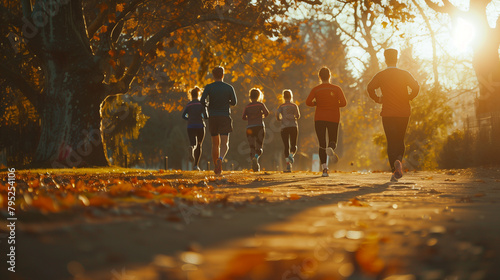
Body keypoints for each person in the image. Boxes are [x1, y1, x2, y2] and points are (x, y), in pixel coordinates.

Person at [367, 48, 420, 182]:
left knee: (391, 141)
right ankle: (399, 160)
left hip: (388, 113)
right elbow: (416, 87)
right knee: (400, 139)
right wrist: (409, 97)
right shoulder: (404, 74)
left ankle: (393, 171)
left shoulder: (381, 75)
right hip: (403, 112)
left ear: (385, 60)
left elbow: (369, 88)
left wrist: (378, 99)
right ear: (396, 59)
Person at [306, 67, 347, 177]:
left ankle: (324, 169)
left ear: (319, 77)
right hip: (333, 117)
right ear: (330, 76)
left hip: (319, 118)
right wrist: (334, 104)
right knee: (333, 140)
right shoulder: (336, 89)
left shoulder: (316, 89)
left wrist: (316, 103)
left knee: (321, 144)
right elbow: (343, 103)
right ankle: (331, 148)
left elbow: (308, 102)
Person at [200, 66, 237, 175]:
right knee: (225, 143)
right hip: (225, 116)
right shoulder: (229, 87)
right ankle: (220, 159)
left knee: (215, 144)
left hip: (213, 117)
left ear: (213, 75)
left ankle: (216, 166)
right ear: (223, 75)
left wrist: (208, 105)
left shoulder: (209, 87)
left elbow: (202, 101)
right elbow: (234, 102)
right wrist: (226, 102)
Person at [242, 88, 270, 172]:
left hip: (250, 128)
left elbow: (243, 117)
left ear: (250, 96)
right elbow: (267, 113)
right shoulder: (260, 105)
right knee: (259, 146)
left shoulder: (247, 106)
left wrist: (250, 118)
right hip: (259, 127)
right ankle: (256, 158)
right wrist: (260, 115)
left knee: (252, 147)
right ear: (258, 96)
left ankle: (254, 163)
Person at [181, 87, 208, 171]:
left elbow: (183, 115)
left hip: (190, 126)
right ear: (199, 94)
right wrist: (205, 107)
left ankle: (191, 148)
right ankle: (196, 165)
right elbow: (206, 116)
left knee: (193, 143)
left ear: (191, 95)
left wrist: (189, 119)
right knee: (199, 145)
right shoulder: (201, 104)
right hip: (200, 125)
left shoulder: (189, 104)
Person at [277, 89, 300, 172]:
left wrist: (279, 119)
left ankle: (288, 166)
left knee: (286, 146)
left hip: (284, 127)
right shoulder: (294, 106)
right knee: (294, 145)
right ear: (291, 96)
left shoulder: (281, 106)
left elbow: (277, 114)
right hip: (293, 126)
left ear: (283, 97)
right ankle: (291, 154)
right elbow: (297, 116)